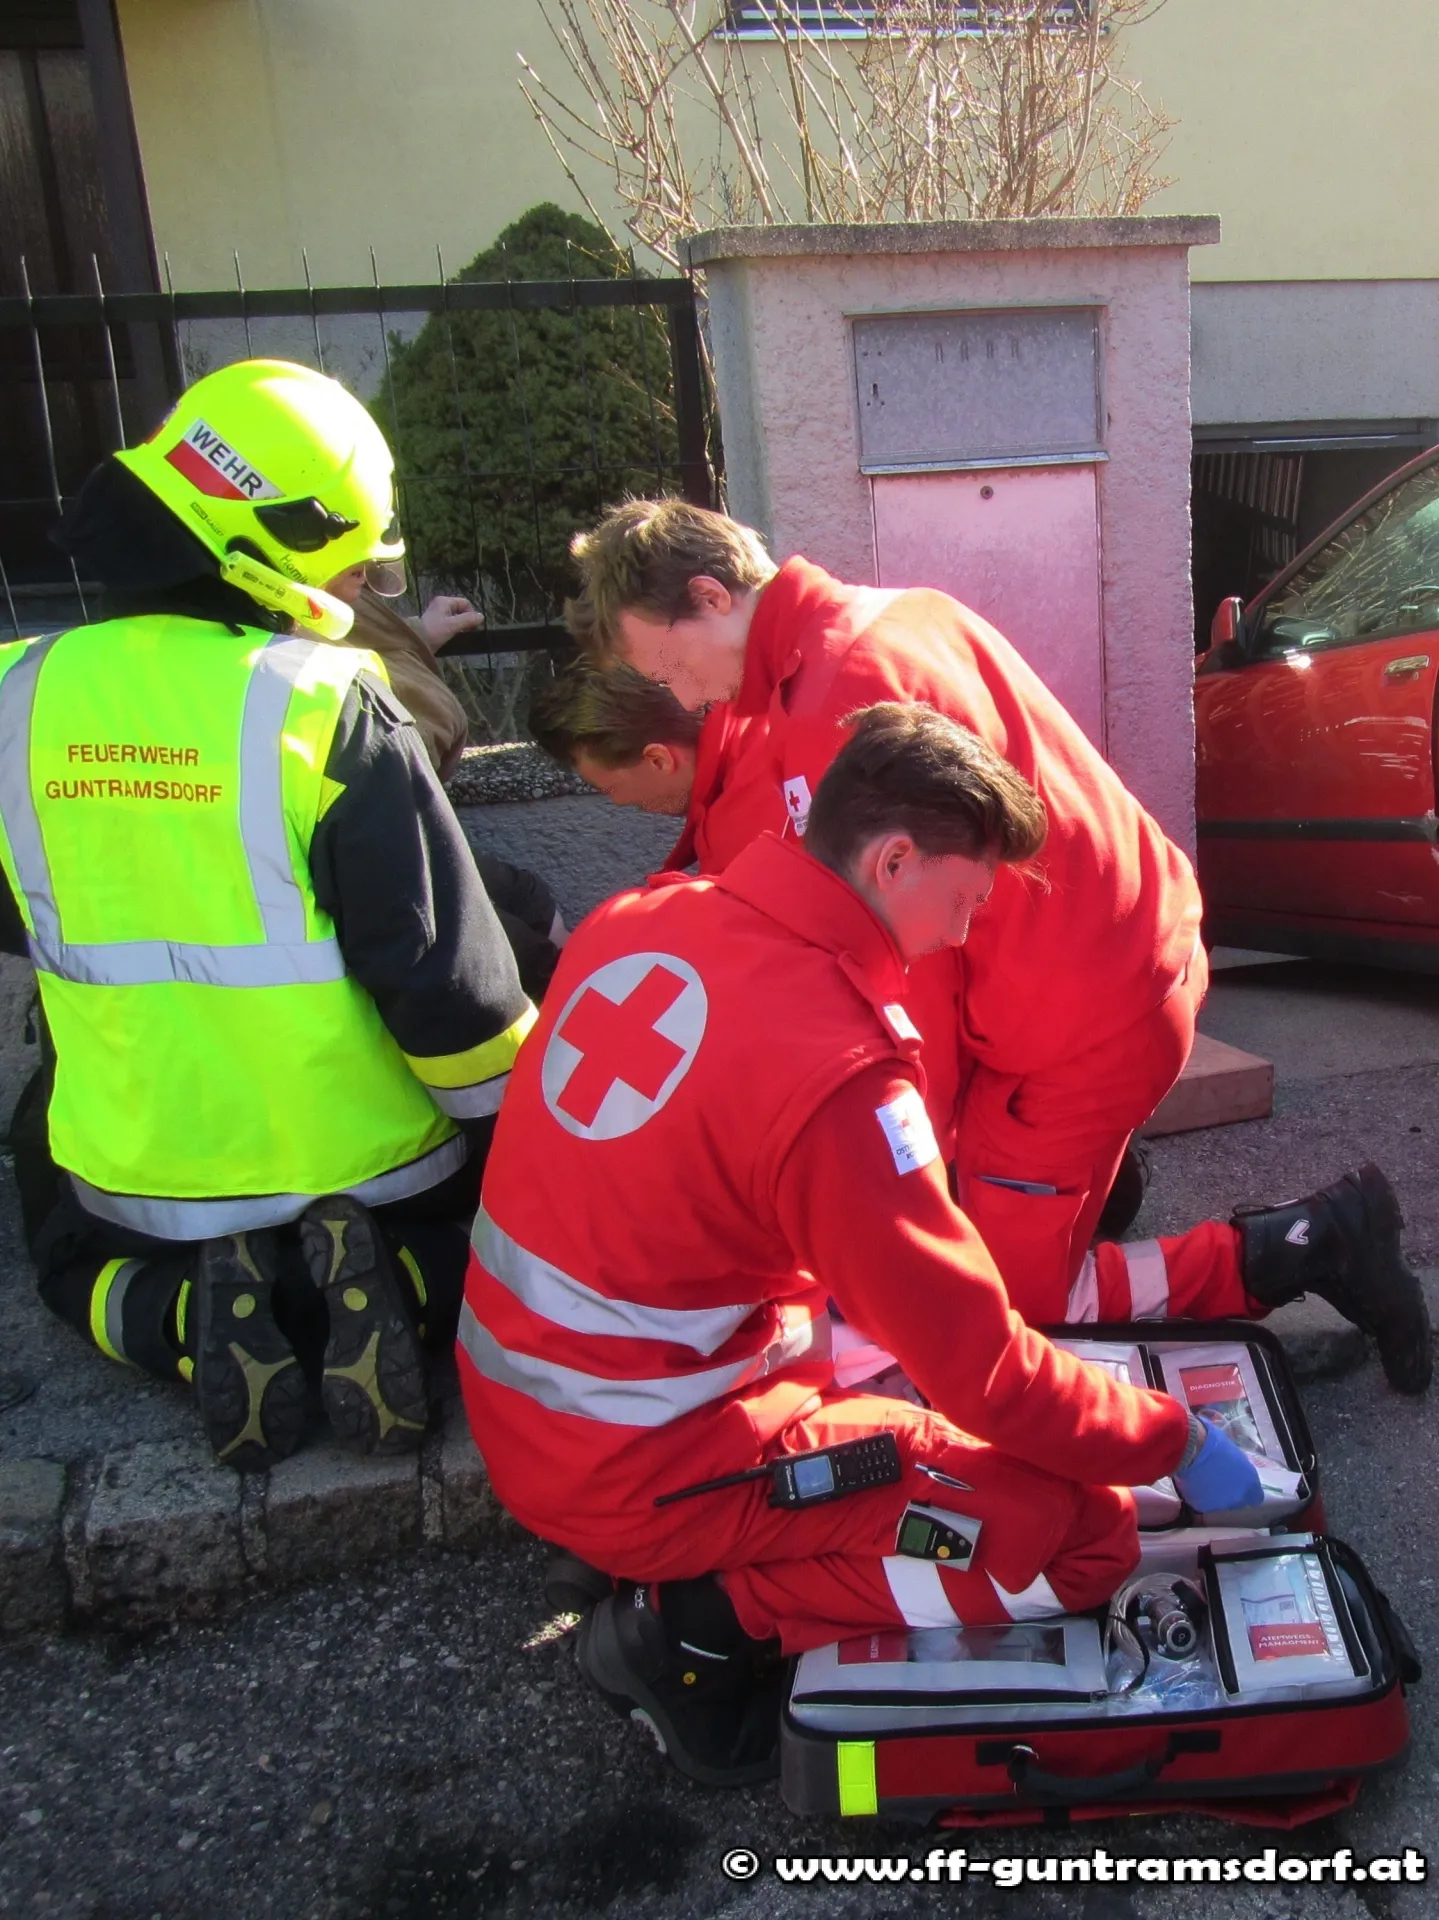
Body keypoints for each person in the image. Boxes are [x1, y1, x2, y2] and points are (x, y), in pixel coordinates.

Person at [457, 703, 1425, 1786]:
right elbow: (988, 1376)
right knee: (1074, 1535)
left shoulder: (645, 914)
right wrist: (1171, 1443)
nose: (963, 932)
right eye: (964, 898)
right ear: (892, 860)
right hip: (651, 1461)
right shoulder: (834, 1071)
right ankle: (696, 1624)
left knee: (916, 1353)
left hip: (549, 1410)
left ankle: (668, 1557)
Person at [562, 501, 1430, 1393]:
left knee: (995, 1307)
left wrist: (899, 1167)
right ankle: (1109, 1221)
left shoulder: (832, 706)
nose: (682, 697)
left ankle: (1310, 1244)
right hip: (1107, 967)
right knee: (987, 1263)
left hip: (1079, 1020)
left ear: (709, 596)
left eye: (668, 665)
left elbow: (913, 968)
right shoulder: (887, 619)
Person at [0, 358, 537, 1472]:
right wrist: (524, 1165)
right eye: (351, 557)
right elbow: (448, 988)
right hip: (381, 1176)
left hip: (136, 1185)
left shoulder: (16, 694)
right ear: (285, 541)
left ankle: (182, 1318)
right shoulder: (326, 702)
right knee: (487, 1245)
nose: (357, 581)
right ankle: (403, 1284)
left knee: (60, 1249)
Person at [318, 569, 567, 1001]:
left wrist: (415, 636)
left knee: (525, 898)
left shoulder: (331, 595)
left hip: (410, 810)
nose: (365, 567)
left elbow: (361, 641)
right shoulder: (279, 631)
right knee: (517, 960)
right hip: (368, 833)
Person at [527, 657, 774, 874]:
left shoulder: (744, 837)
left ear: (659, 760)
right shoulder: (759, 720)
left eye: (611, 789)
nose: (619, 802)